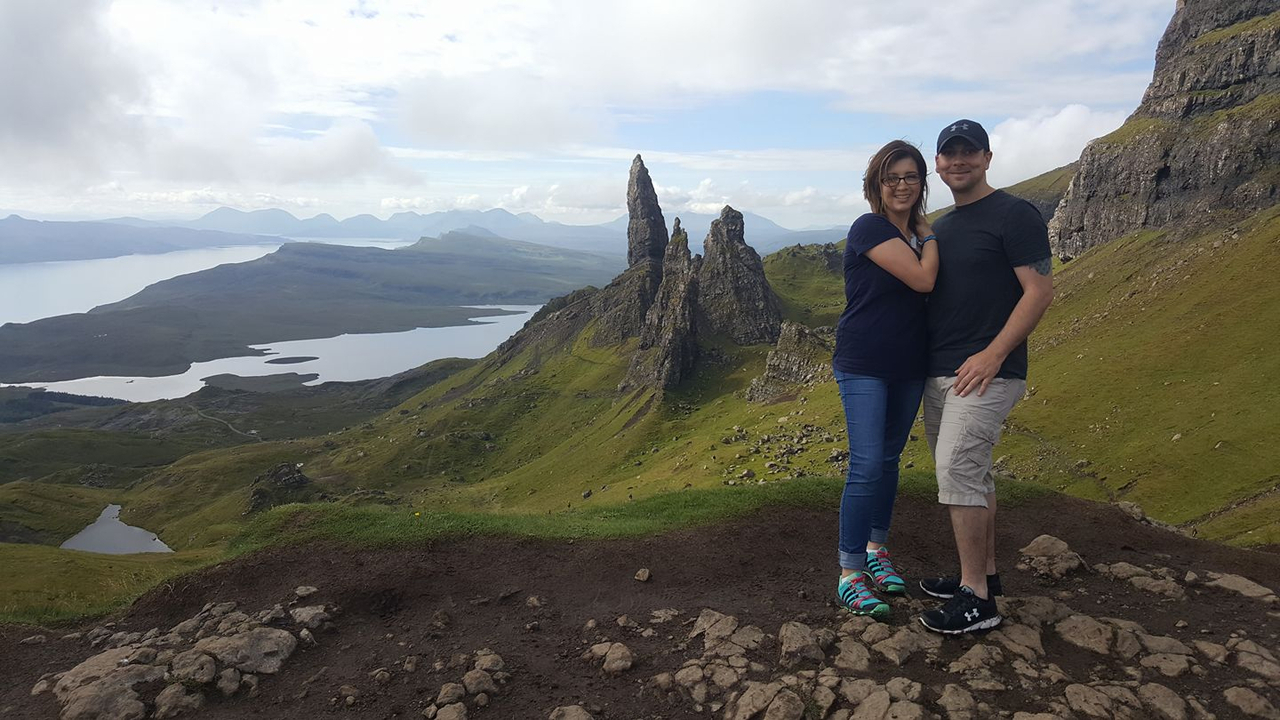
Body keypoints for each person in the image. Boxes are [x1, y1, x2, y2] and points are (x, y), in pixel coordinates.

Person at [916, 119, 1054, 634]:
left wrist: (994, 355)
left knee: (956, 469)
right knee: (970, 474)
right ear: (938, 164)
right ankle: (985, 576)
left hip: (987, 371)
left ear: (988, 158)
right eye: (949, 154)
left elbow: (1039, 291)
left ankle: (977, 601)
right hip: (940, 372)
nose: (959, 161)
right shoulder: (944, 225)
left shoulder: (1014, 214)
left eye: (969, 152)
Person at [832, 140, 939, 619]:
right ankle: (851, 573)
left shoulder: (914, 234)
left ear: (921, 183)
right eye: (891, 177)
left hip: (909, 364)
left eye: (910, 177)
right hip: (864, 362)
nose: (901, 185)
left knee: (890, 459)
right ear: (876, 184)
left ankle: (877, 551)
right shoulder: (869, 227)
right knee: (867, 463)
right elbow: (922, 280)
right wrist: (930, 235)